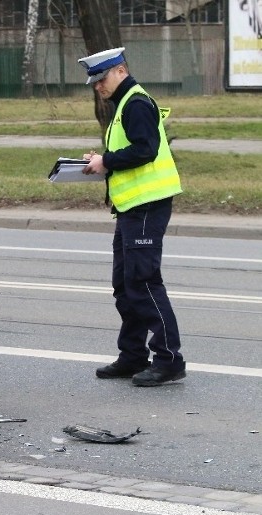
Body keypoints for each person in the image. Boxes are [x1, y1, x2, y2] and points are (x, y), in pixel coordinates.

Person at [79, 47, 187, 387]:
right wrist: (104, 159)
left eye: (102, 79)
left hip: (146, 206)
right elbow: (133, 148)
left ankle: (169, 359)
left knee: (143, 282)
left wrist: (106, 162)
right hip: (131, 208)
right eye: (94, 82)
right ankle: (133, 355)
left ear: (121, 71)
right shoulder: (124, 103)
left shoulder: (136, 103)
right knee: (126, 285)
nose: (98, 87)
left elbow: (145, 149)